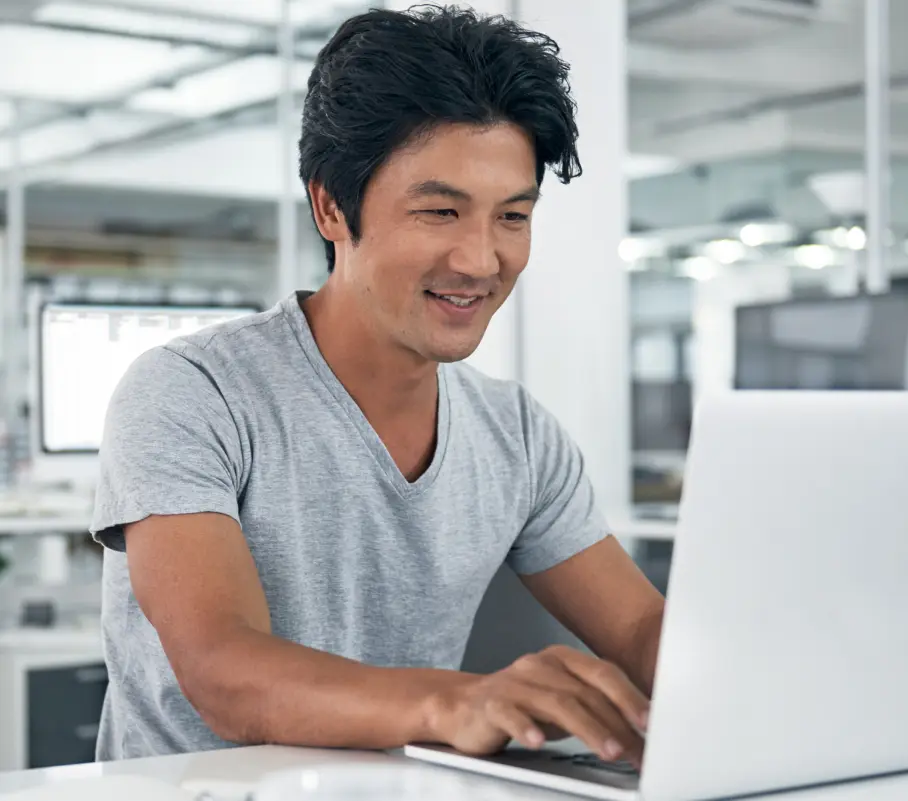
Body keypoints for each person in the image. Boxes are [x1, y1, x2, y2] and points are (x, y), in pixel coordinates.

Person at [91, 3, 664, 769]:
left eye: (512, 215)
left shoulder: (518, 435)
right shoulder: (191, 393)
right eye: (439, 211)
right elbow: (224, 673)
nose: (481, 260)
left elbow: (638, 631)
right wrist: (456, 699)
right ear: (332, 205)